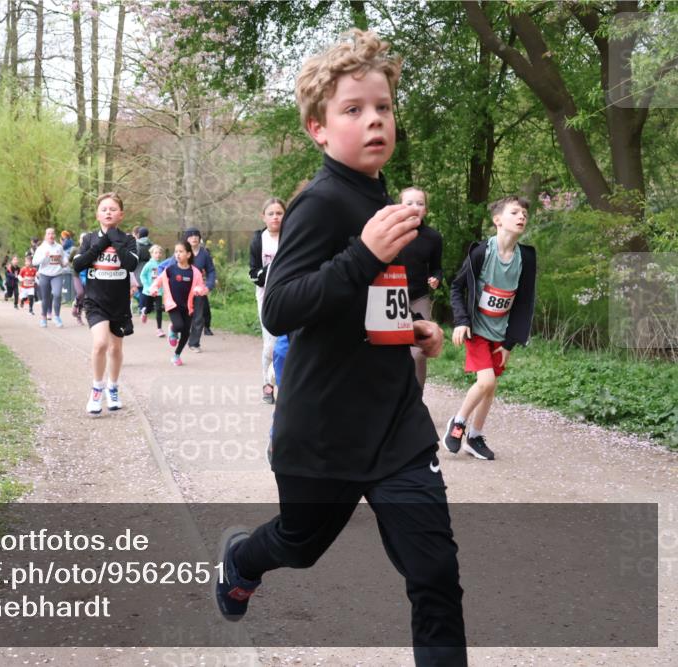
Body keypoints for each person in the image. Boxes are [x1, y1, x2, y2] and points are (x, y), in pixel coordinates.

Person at [213, 30, 466, 667]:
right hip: (323, 434)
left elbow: (366, 308)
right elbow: (280, 306)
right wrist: (363, 254)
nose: (373, 119)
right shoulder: (321, 204)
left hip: (395, 430)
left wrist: (414, 330)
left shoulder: (380, 199)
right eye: (352, 110)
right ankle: (242, 558)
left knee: (434, 577)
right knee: (298, 546)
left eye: (382, 106)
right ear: (318, 129)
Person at [444, 196, 536, 460]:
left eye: (525, 215)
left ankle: (474, 437)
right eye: (515, 213)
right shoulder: (482, 252)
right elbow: (456, 287)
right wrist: (461, 321)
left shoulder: (525, 258)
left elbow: (524, 302)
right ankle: (458, 423)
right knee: (486, 381)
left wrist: (509, 343)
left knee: (490, 388)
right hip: (476, 330)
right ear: (498, 220)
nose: (521, 217)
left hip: (500, 333)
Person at [72, 192, 138, 414]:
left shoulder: (128, 240)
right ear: (97, 214)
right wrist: (100, 244)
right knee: (100, 343)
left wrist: (114, 240)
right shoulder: (89, 239)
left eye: (112, 209)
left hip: (119, 303)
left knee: (115, 347)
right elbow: (78, 265)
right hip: (95, 301)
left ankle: (113, 387)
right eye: (104, 209)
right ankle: (97, 388)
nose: (108, 212)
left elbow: (129, 264)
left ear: (121, 214)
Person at [398, 186, 444, 387]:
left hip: (419, 297)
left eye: (420, 203)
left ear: (425, 210)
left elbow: (437, 268)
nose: (415, 207)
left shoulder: (433, 237)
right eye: (409, 203)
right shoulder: (390, 232)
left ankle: (416, 399)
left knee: (418, 352)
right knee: (390, 350)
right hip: (393, 296)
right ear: (399, 206)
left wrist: (436, 278)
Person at [249, 197, 286, 404]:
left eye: (279, 213)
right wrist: (272, 270)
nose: (275, 217)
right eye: (271, 213)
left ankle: (287, 384)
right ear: (263, 217)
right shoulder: (258, 240)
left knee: (289, 342)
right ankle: (267, 383)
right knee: (270, 344)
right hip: (266, 296)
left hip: (290, 293)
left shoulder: (291, 236)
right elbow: (253, 272)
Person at [150, 240, 208, 366]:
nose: (177, 254)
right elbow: (158, 281)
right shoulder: (170, 270)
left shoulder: (195, 272)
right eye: (176, 252)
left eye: (181, 251)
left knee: (186, 332)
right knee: (179, 326)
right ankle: (173, 328)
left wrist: (199, 290)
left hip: (188, 306)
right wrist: (154, 288)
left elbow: (201, 286)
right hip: (172, 304)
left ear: (188, 254)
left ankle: (176, 355)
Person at [182, 228, 216, 353]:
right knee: (183, 317)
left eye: (196, 235)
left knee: (198, 317)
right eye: (191, 236)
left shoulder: (204, 254)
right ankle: (175, 330)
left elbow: (211, 271)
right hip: (182, 289)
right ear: (186, 239)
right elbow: (167, 267)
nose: (194, 238)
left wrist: (208, 285)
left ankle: (194, 343)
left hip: (198, 290)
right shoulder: (181, 251)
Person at [33, 227, 67, 328]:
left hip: (57, 274)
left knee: (57, 294)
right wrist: (44, 256)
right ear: (45, 236)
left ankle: (57, 316)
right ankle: (43, 317)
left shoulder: (59, 247)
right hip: (45, 275)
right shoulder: (41, 248)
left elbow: (64, 257)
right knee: (45, 298)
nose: (51, 236)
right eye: (48, 234)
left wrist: (65, 262)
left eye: (52, 234)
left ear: (55, 235)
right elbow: (34, 262)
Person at [139, 244, 167, 337]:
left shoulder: (162, 265)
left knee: (159, 309)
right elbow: (142, 275)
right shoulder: (149, 264)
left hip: (158, 291)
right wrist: (147, 286)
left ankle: (159, 329)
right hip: (149, 291)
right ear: (151, 254)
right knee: (149, 309)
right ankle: (144, 312)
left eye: (159, 253)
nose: (158, 255)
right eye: (156, 253)